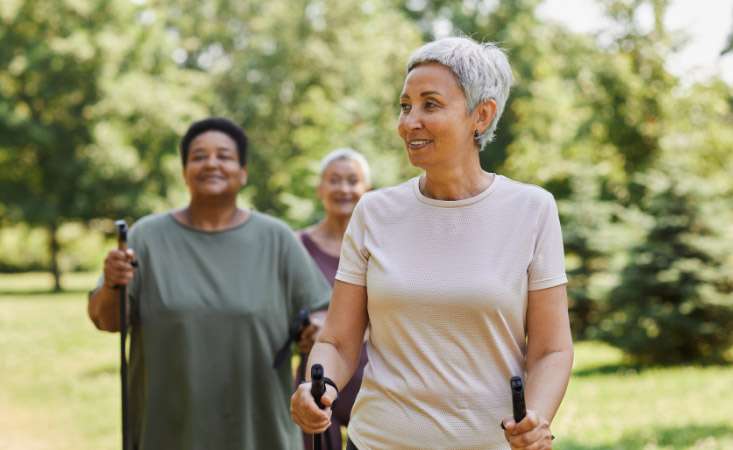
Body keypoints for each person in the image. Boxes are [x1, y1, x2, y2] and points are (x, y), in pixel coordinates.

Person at [290, 37, 573, 450]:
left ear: (482, 115)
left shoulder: (531, 209)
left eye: (430, 104)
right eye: (405, 106)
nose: (409, 121)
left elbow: (551, 349)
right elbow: (336, 341)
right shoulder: (374, 212)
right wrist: (318, 386)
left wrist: (537, 418)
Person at [87, 117, 330, 450]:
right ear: (185, 170)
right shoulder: (146, 237)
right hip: (168, 431)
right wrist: (113, 284)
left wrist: (315, 329)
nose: (212, 163)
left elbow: (323, 311)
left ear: (243, 172)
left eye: (224, 156)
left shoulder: (277, 239)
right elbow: (107, 320)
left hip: (258, 431)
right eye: (199, 156)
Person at [294, 148, 371, 450]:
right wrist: (303, 328)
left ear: (368, 190)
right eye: (334, 180)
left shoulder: (381, 248)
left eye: (353, 181)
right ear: (320, 189)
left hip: (371, 379)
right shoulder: (295, 245)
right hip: (316, 376)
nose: (343, 189)